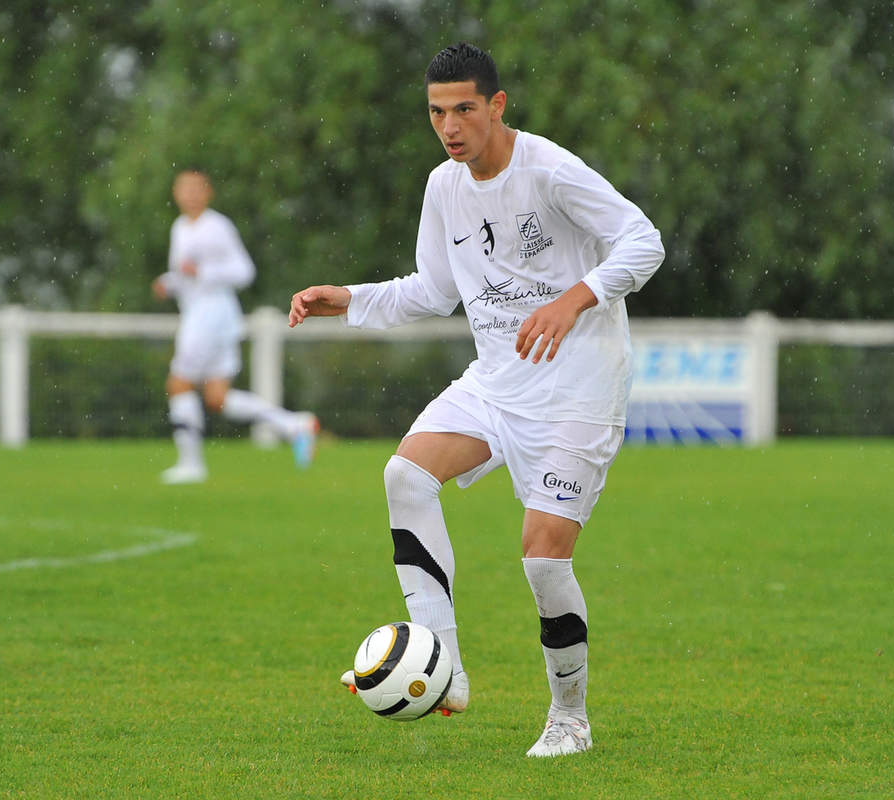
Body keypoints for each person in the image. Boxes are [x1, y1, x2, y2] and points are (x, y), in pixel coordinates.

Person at [289, 43, 663, 757]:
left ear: (496, 106)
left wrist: (573, 301)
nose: (450, 126)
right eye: (436, 113)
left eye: (464, 109)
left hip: (581, 385)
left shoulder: (550, 169)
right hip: (499, 382)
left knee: (544, 560)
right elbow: (431, 290)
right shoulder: (444, 185)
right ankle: (445, 666)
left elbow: (643, 242)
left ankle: (569, 718)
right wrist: (350, 300)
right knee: (406, 474)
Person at [154, 168, 318, 484]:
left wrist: (202, 272)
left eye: (195, 188)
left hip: (210, 315)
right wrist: (168, 283)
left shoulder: (216, 226)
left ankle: (191, 465)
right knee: (217, 398)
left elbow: (244, 271)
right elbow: (187, 276)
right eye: (183, 188)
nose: (189, 194)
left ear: (208, 192)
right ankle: (294, 425)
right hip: (204, 314)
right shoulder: (180, 227)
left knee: (179, 384)